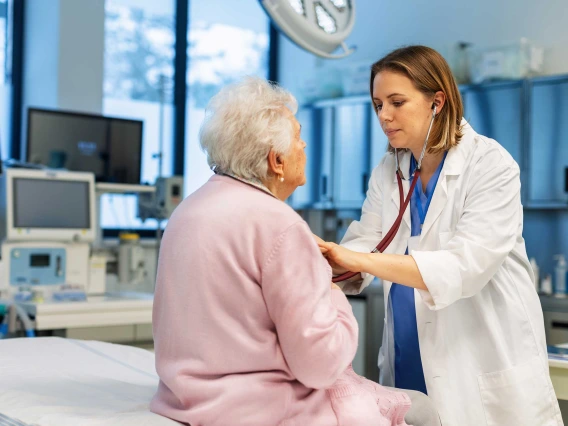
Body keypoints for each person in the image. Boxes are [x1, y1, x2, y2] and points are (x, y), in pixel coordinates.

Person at [150, 77, 441, 426]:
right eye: (299, 136)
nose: (304, 145)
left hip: (188, 399)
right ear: (277, 161)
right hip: (261, 409)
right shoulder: (279, 224)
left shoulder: (188, 210)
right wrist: (329, 290)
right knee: (422, 409)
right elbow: (321, 366)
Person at [317, 45, 562, 426]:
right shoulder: (389, 170)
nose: (384, 115)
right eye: (378, 104)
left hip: (478, 368)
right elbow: (366, 241)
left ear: (437, 101)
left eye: (397, 102)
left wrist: (355, 259)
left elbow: (464, 266)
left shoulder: (490, 164)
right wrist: (323, 262)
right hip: (408, 360)